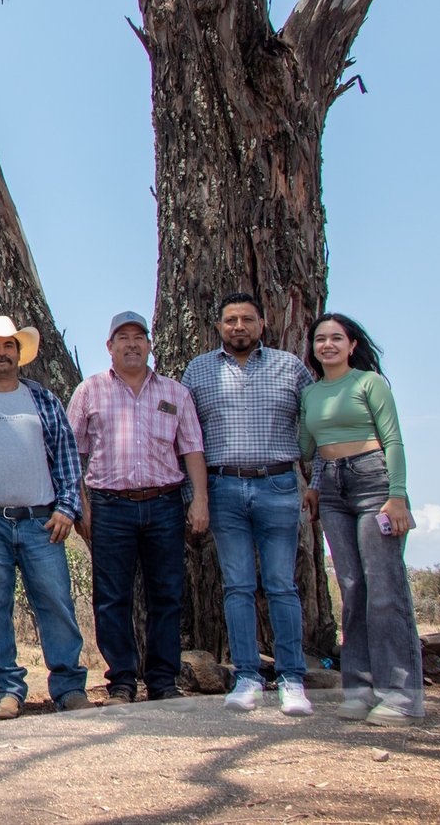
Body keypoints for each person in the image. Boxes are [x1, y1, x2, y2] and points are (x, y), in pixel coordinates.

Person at [182, 293, 314, 717]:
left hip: (277, 484)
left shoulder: (290, 367)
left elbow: (315, 428)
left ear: (262, 323)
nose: (238, 327)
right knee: (237, 586)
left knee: (281, 585)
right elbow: (186, 439)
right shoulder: (198, 371)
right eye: (230, 320)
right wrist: (194, 496)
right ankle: (247, 677)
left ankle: (293, 678)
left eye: (247, 320)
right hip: (223, 489)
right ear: (219, 326)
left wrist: (319, 483)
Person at [68, 310, 208, 705]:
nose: (132, 344)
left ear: (149, 345)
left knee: (166, 594)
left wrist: (200, 501)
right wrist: (82, 507)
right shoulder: (90, 391)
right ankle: (122, 682)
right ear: (109, 347)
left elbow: (192, 449)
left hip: (165, 504)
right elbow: (70, 454)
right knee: (112, 597)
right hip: (111, 506)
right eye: (123, 338)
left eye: (139, 337)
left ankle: (163, 681)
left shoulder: (175, 393)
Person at [0, 316, 93, 718]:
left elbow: (68, 458)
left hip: (41, 522)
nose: (2, 354)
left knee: (54, 602)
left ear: (20, 353)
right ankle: (7, 688)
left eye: (9, 347)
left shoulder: (43, 399)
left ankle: (68, 686)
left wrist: (68, 509)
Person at [300, 313, 422, 727]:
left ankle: (401, 695)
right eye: (320, 339)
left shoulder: (370, 383)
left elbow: (393, 440)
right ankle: (359, 688)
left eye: (337, 338)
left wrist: (398, 496)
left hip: (374, 482)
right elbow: (310, 446)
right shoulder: (311, 393)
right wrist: (315, 485)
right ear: (313, 348)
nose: (328, 345)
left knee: (384, 588)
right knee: (352, 588)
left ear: (352, 345)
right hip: (333, 491)